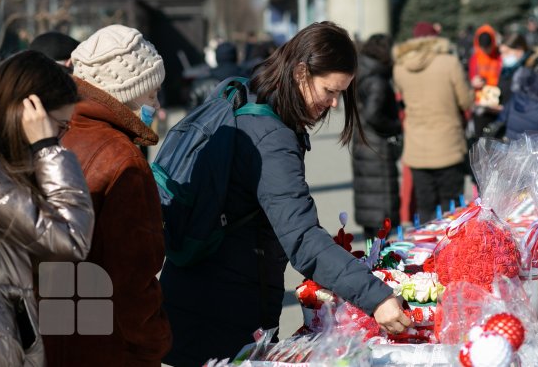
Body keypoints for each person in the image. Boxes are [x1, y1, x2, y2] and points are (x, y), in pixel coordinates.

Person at [160, 21, 410, 365]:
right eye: (330, 91)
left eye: (341, 93)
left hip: (201, 297)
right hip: (219, 314)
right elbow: (303, 238)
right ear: (301, 72)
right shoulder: (270, 136)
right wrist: (375, 297)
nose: (335, 104)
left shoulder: (251, 95)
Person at [42, 25, 171, 367]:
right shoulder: (122, 158)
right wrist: (156, 343)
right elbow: (132, 281)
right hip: (109, 347)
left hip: (53, 337)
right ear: (125, 92)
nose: (155, 105)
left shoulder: (53, 137)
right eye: (151, 94)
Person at [0, 50, 94, 366]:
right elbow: (71, 239)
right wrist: (47, 149)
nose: (62, 137)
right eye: (60, 126)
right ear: (31, 112)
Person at [393, 21, 472, 224]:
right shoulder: (449, 62)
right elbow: (465, 101)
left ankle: (427, 250)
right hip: (448, 144)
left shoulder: (400, 67)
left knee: (425, 205)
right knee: (452, 207)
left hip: (417, 146)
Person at [351, 34, 402, 240]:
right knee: (381, 213)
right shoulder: (377, 79)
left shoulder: (362, 71)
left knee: (370, 209)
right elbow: (374, 114)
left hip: (363, 143)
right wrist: (395, 126)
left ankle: (373, 258)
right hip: (377, 146)